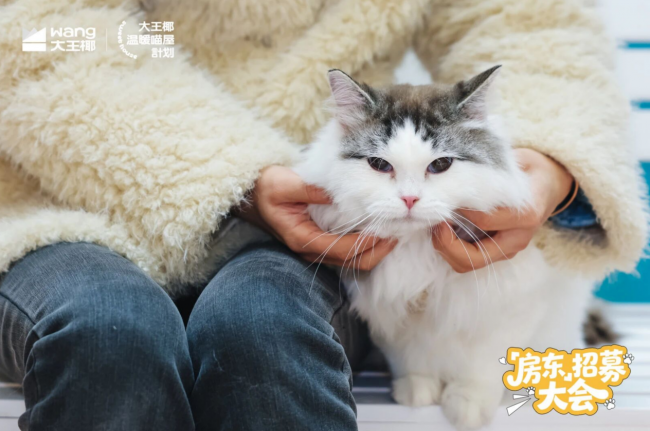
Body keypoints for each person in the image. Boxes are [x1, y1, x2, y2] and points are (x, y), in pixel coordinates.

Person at [0, 0, 646, 430]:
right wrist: (234, 175)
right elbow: (38, 35)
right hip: (66, 205)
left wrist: (549, 160)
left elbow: (527, 24)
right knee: (109, 333)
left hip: (317, 228)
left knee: (264, 329)